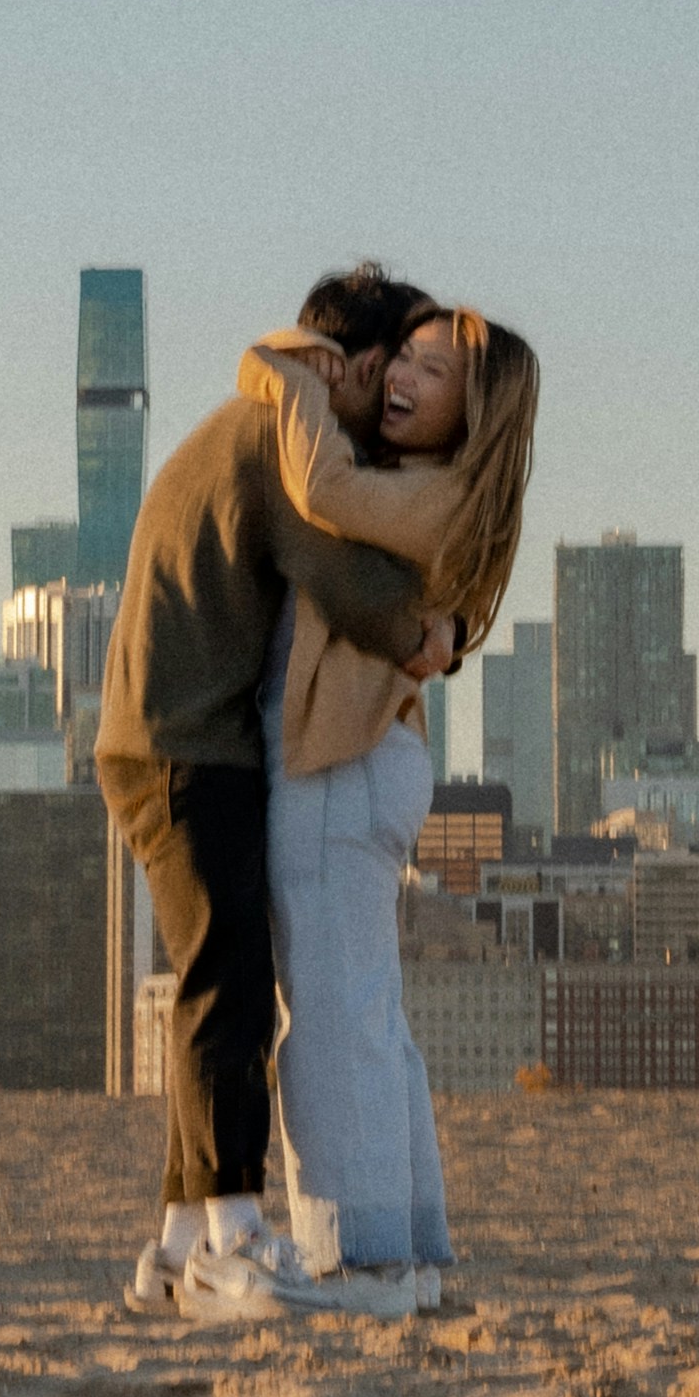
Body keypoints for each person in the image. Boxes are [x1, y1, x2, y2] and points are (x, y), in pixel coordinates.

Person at [94, 266, 455, 1319]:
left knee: (221, 978)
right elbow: (335, 562)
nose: (387, 407)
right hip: (183, 745)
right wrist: (428, 631)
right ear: (342, 363)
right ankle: (238, 1233)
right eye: (389, 374)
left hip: (168, 738)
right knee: (229, 989)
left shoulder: (257, 414)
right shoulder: (282, 431)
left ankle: (172, 1245)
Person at [234, 301, 541, 1317]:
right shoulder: (427, 490)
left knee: (328, 1018)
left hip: (338, 762)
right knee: (366, 1013)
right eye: (402, 356)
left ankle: (359, 1262)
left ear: (479, 409)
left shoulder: (433, 492)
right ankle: (407, 1253)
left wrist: (287, 373)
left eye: (434, 371)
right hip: (366, 764)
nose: (403, 377)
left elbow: (316, 483)